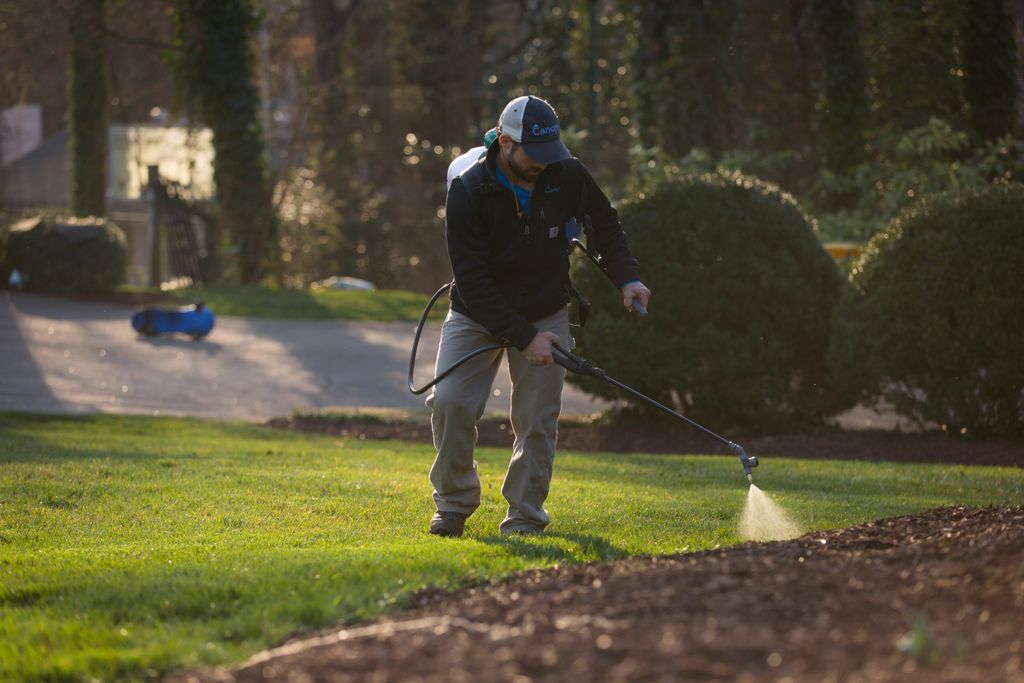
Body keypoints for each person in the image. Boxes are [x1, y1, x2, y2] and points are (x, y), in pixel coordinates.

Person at [427, 95, 651, 537]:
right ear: (505, 142)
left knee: (537, 417)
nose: (542, 164)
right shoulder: (469, 190)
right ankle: (454, 503)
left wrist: (627, 277)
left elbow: (603, 222)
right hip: (477, 312)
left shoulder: (565, 172)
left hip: (546, 306)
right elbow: (472, 281)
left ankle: (525, 516)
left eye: (549, 154)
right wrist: (523, 336)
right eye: (533, 154)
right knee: (451, 402)